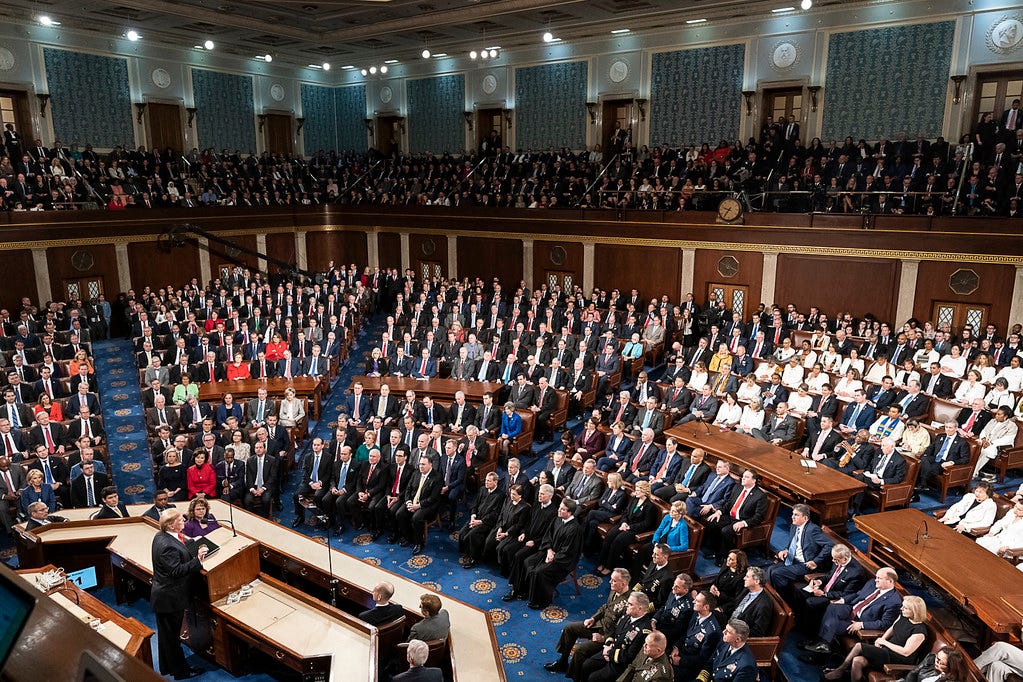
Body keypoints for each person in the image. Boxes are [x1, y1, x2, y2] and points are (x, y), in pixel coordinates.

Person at [151, 508, 208, 680]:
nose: (184, 520)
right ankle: (181, 672)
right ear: (170, 525)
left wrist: (190, 544)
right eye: (180, 520)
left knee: (167, 636)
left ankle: (168, 667)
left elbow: (178, 549)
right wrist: (198, 560)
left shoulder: (160, 536)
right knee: (172, 638)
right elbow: (176, 570)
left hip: (165, 595)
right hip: (170, 598)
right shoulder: (167, 546)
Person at [546, 567, 632, 675]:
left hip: (607, 638)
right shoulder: (615, 589)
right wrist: (593, 618)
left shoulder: (629, 604)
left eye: (614, 580)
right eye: (611, 579)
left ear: (623, 584)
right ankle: (562, 662)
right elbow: (605, 607)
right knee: (570, 628)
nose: (610, 582)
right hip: (599, 625)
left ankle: (576, 677)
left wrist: (603, 638)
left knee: (580, 650)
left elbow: (622, 630)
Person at [801, 567, 902, 656]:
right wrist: (842, 600)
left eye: (879, 578)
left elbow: (885, 624)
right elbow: (858, 594)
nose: (876, 580)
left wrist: (862, 625)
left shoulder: (894, 601)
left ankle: (818, 650)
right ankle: (822, 644)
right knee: (832, 607)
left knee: (832, 623)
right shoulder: (872, 583)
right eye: (876, 577)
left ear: (890, 581)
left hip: (859, 621)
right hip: (851, 609)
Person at [823, 596, 928, 681]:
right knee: (857, 660)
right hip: (886, 651)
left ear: (915, 611)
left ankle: (840, 671)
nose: (901, 609)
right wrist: (881, 639)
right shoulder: (903, 616)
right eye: (902, 606)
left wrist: (884, 642)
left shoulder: (919, 631)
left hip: (899, 659)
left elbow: (906, 652)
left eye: (905, 608)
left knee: (859, 646)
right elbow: (892, 628)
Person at [766, 503, 833, 591]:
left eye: (796, 515)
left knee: (777, 573)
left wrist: (816, 561)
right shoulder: (794, 526)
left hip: (805, 564)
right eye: (793, 514)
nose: (792, 517)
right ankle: (773, 594)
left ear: (805, 518)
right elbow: (793, 543)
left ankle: (784, 597)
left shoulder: (812, 529)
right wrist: (786, 550)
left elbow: (829, 545)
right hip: (793, 559)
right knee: (770, 569)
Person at [596, 481, 657, 575]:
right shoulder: (634, 499)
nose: (635, 492)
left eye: (638, 490)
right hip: (625, 524)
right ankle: (602, 562)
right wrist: (624, 522)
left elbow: (646, 524)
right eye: (636, 490)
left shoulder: (650, 506)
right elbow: (625, 513)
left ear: (645, 492)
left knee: (618, 540)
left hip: (635, 530)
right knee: (610, 535)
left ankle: (609, 566)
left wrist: (630, 527)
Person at [899, 646, 968, 682]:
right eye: (937, 657)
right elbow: (913, 673)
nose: (935, 662)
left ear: (951, 668)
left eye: (940, 662)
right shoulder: (931, 659)